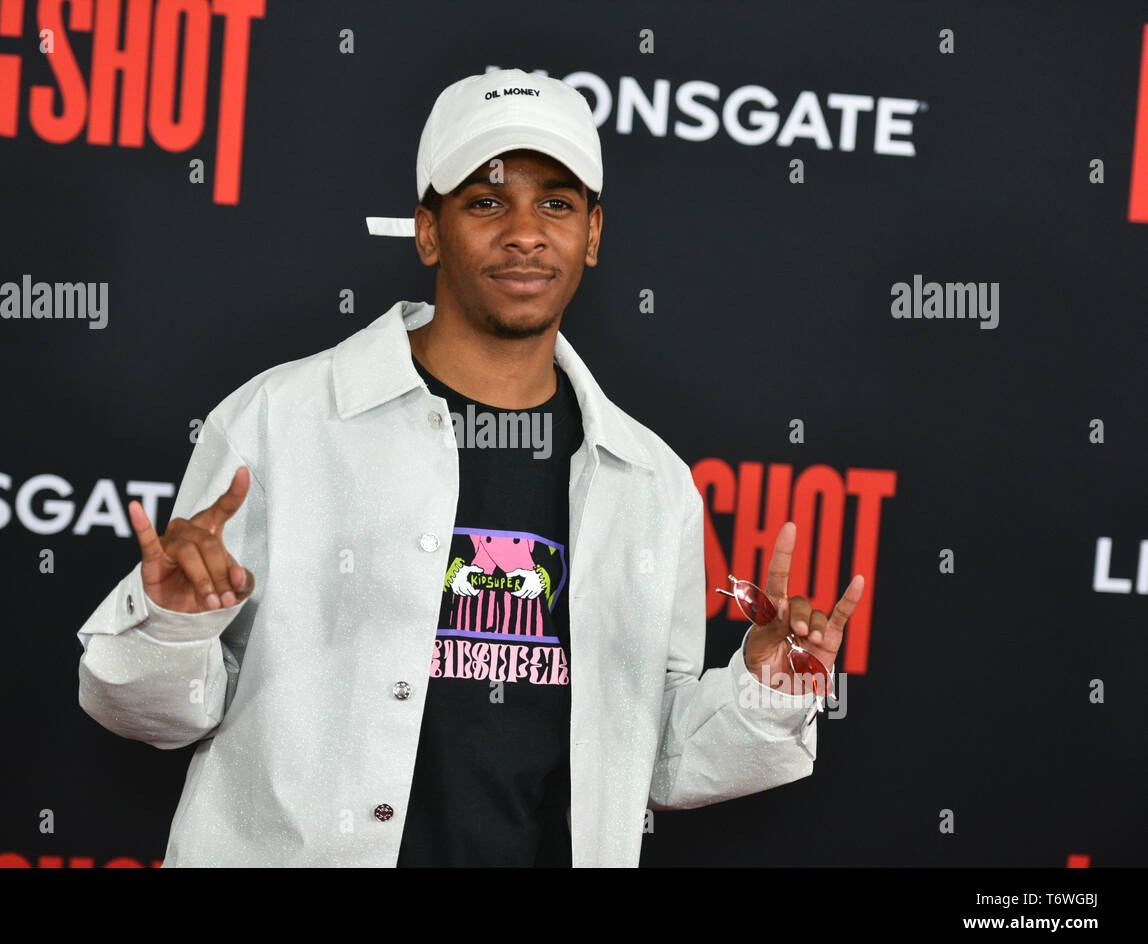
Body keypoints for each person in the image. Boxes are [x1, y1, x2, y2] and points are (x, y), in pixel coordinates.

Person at [75, 68, 865, 867]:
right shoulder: (281, 420)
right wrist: (170, 620)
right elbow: (151, 711)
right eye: (486, 202)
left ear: (593, 233)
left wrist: (768, 692)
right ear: (428, 230)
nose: (525, 232)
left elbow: (651, 757)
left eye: (556, 203)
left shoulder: (651, 483)